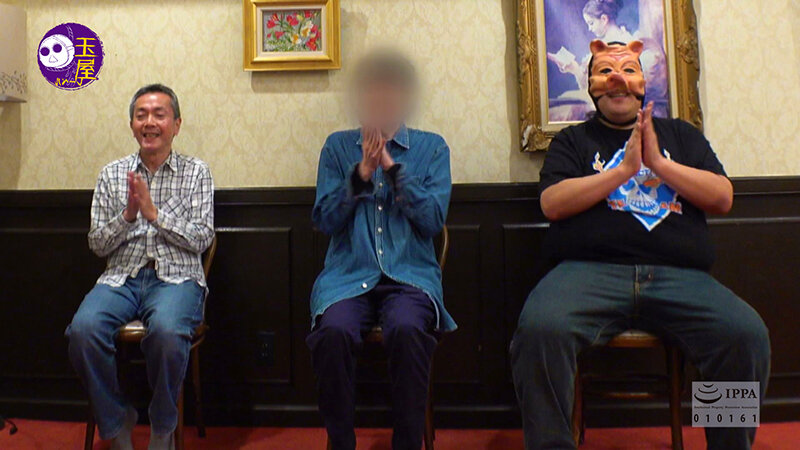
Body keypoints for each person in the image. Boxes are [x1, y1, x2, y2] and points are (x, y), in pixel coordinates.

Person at [511, 40, 770, 450]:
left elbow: (722, 198)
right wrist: (624, 170)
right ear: (591, 86)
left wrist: (659, 164)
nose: (618, 79)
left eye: (629, 70)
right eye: (606, 71)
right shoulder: (572, 141)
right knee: (540, 330)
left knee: (744, 334)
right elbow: (552, 204)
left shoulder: (681, 135)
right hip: (587, 274)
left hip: (680, 277)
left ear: (644, 83)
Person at [307, 49, 456, 450]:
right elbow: (324, 220)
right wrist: (362, 173)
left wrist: (389, 167)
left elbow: (431, 221)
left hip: (410, 277)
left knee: (407, 329)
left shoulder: (432, 148)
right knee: (332, 332)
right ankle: (341, 442)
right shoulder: (337, 147)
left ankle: (407, 443)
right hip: (347, 276)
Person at [66, 84, 215, 450]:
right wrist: (128, 216)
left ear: (176, 124)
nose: (149, 122)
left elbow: (201, 239)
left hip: (177, 278)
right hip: (122, 277)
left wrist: (154, 214)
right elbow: (97, 243)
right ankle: (117, 422)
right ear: (132, 124)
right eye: (141, 115)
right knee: (82, 332)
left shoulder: (197, 172)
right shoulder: (111, 174)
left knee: (166, 332)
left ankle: (163, 426)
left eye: (159, 115)